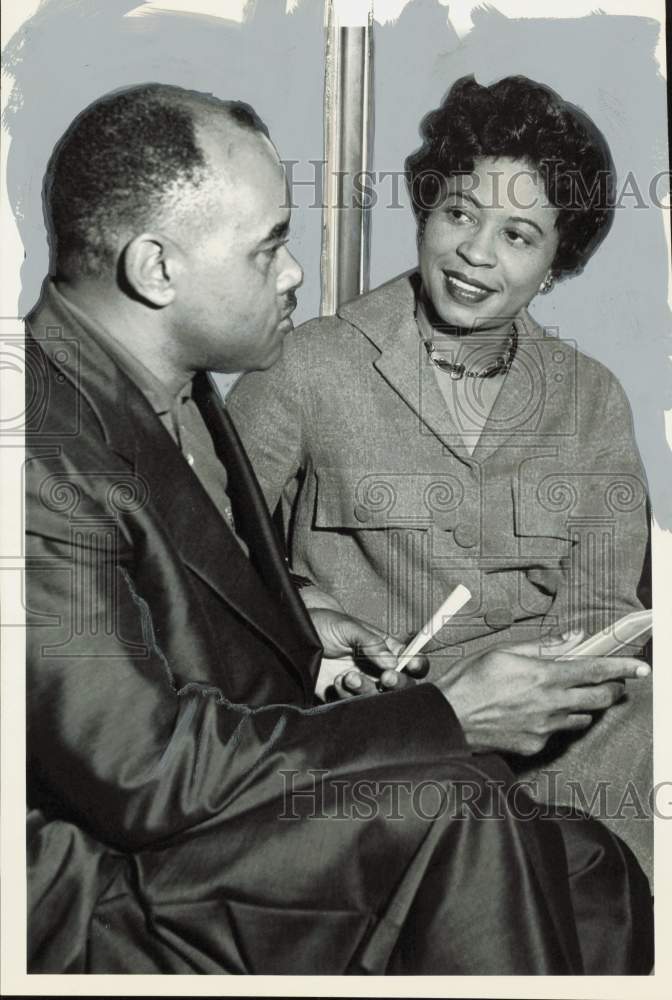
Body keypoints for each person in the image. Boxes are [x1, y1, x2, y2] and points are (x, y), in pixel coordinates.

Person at [26, 82, 653, 977]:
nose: (296, 274)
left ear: (554, 263)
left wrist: (305, 614)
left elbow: (212, 572)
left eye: (517, 235)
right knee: (467, 809)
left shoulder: (179, 389)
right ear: (157, 270)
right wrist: (431, 704)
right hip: (168, 846)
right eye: (271, 246)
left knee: (601, 862)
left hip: (349, 750)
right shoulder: (56, 447)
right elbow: (148, 763)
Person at [227, 76, 653, 878]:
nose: (475, 252)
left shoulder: (591, 396)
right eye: (460, 212)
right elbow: (207, 547)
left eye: (519, 235)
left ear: (558, 264)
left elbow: (603, 602)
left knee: (641, 726)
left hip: (551, 736)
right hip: (381, 730)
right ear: (427, 208)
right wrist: (308, 607)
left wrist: (553, 682)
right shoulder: (308, 363)